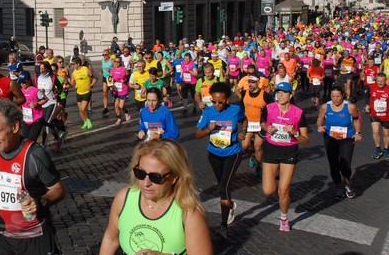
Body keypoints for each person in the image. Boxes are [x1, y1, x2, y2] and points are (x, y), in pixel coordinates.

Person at [0, 100, 66, 254]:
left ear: (15, 127)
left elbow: (58, 189)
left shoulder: (34, 154)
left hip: (34, 237)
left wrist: (39, 201)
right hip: (2, 235)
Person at [99, 139, 212, 255]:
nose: (146, 183)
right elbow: (111, 239)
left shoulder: (189, 213)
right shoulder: (124, 198)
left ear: (175, 177)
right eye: (141, 173)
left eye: (156, 177)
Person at [195, 82, 246, 237]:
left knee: (224, 187)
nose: (217, 105)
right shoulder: (208, 112)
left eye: (220, 102)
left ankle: (223, 225)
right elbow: (197, 134)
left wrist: (243, 130)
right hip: (214, 154)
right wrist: (208, 129)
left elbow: (245, 119)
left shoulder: (235, 110)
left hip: (232, 152)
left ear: (227, 100)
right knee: (222, 186)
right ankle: (229, 205)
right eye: (214, 101)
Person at [260, 82, 309, 232]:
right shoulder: (268, 108)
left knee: (283, 190)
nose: (280, 95)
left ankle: (284, 218)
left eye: (283, 92)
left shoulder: (298, 113)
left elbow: (306, 141)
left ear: (291, 95)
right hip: (271, 149)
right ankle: (281, 192)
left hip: (289, 152)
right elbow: (261, 123)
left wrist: (295, 133)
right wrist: (267, 128)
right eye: (278, 92)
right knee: (268, 191)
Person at [316, 86, 361, 199]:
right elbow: (320, 119)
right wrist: (320, 126)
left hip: (347, 138)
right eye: (333, 96)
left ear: (343, 96)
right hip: (330, 139)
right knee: (334, 165)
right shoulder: (325, 107)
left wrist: (358, 133)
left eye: (338, 96)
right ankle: (338, 186)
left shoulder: (350, 107)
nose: (335, 99)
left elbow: (356, 119)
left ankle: (347, 183)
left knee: (345, 165)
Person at [240, 75, 274, 175]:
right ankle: (254, 155)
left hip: (261, 125)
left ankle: (258, 167)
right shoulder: (244, 93)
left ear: (258, 82)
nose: (250, 84)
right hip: (249, 123)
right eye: (249, 82)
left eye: (253, 82)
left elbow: (272, 109)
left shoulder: (265, 95)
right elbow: (241, 108)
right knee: (245, 146)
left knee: (258, 147)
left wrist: (267, 123)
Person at [364, 72, 389, 159]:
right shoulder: (372, 87)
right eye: (378, 81)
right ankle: (378, 149)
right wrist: (367, 104)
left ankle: (386, 150)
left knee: (386, 134)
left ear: (385, 81)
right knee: (375, 131)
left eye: (382, 81)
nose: (380, 83)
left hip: (387, 115)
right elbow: (366, 96)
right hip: (374, 114)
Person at [18, 70, 46, 143]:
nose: (22, 84)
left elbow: (45, 99)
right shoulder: (20, 91)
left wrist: (37, 104)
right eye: (21, 82)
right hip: (26, 120)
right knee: (24, 141)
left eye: (24, 82)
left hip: (36, 119)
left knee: (31, 142)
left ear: (29, 81)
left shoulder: (35, 91)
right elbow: (20, 104)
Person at [70, 57, 97, 129]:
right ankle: (86, 121)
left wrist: (91, 85)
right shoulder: (73, 73)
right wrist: (68, 85)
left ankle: (88, 121)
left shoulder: (86, 69)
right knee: (81, 111)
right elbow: (72, 84)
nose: (72, 65)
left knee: (83, 109)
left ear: (78, 64)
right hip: (79, 92)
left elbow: (95, 78)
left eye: (73, 64)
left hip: (87, 92)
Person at [109, 56, 131, 125]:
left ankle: (126, 112)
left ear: (120, 62)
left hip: (123, 89)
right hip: (116, 89)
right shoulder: (112, 70)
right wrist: (110, 83)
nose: (116, 63)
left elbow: (128, 76)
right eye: (115, 61)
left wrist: (124, 80)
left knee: (121, 106)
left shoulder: (124, 69)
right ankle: (119, 118)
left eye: (118, 62)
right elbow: (110, 78)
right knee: (116, 105)